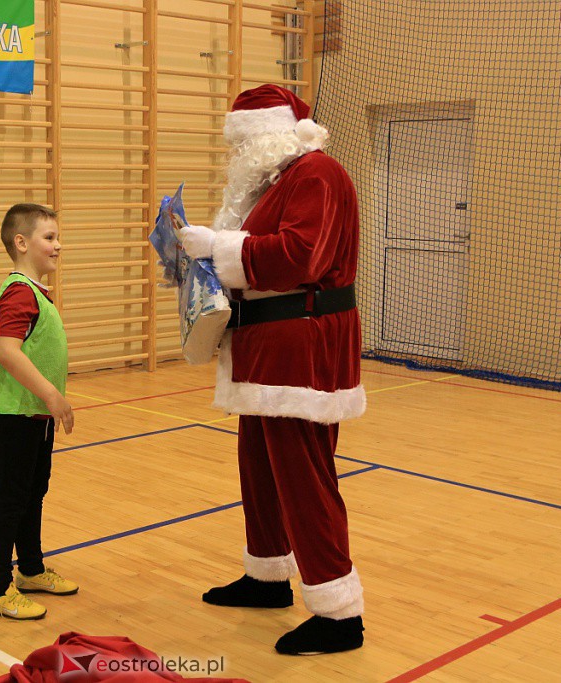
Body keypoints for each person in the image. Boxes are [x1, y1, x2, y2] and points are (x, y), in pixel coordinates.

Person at [179, 84, 367, 655]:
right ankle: (266, 577)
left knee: (304, 477)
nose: (244, 149)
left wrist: (217, 246)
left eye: (250, 137)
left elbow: (300, 256)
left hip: (301, 346)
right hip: (266, 345)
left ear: (277, 131)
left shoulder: (317, 174)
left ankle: (340, 612)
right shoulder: (276, 179)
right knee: (260, 466)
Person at [0, 203, 77, 621]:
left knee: (33, 492)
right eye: (49, 238)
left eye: (57, 237)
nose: (59, 245)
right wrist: (52, 395)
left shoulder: (35, 291)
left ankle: (31, 569)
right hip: (12, 415)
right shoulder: (19, 290)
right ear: (22, 243)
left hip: (31, 416)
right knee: (12, 499)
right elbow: (7, 352)